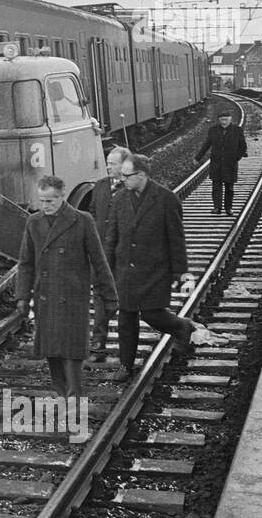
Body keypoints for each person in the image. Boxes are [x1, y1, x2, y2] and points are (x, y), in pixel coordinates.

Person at [16, 175, 117, 398]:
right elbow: (26, 262)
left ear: (63, 197)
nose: (45, 206)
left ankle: (73, 399)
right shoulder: (34, 222)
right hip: (47, 295)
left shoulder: (82, 220)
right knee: (52, 352)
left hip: (73, 296)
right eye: (42, 201)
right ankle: (62, 397)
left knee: (72, 353)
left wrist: (110, 297)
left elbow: (99, 260)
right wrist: (22, 296)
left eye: (50, 201)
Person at [104, 154, 199, 379]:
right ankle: (125, 365)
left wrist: (180, 272)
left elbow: (176, 239)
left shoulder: (166, 199)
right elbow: (111, 237)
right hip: (125, 270)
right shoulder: (119, 199)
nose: (122, 179)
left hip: (155, 270)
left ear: (142, 175)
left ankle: (181, 328)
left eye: (127, 175)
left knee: (152, 314)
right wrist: (106, 269)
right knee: (126, 318)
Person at [88, 145, 132, 353]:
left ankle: (125, 346)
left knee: (123, 298)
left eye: (112, 163)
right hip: (100, 253)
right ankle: (98, 340)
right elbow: (93, 213)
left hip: (123, 255)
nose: (107, 167)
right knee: (98, 294)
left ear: (124, 166)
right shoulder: (100, 186)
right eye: (107, 162)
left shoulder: (132, 189)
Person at [196, 107, 248, 215]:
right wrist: (197, 158)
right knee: (216, 186)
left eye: (226, 120)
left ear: (230, 120)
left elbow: (243, 147)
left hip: (230, 164)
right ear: (219, 120)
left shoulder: (237, 130)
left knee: (229, 187)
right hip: (216, 163)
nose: (224, 122)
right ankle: (217, 207)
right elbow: (207, 144)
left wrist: (236, 157)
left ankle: (228, 208)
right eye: (222, 120)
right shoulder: (213, 130)